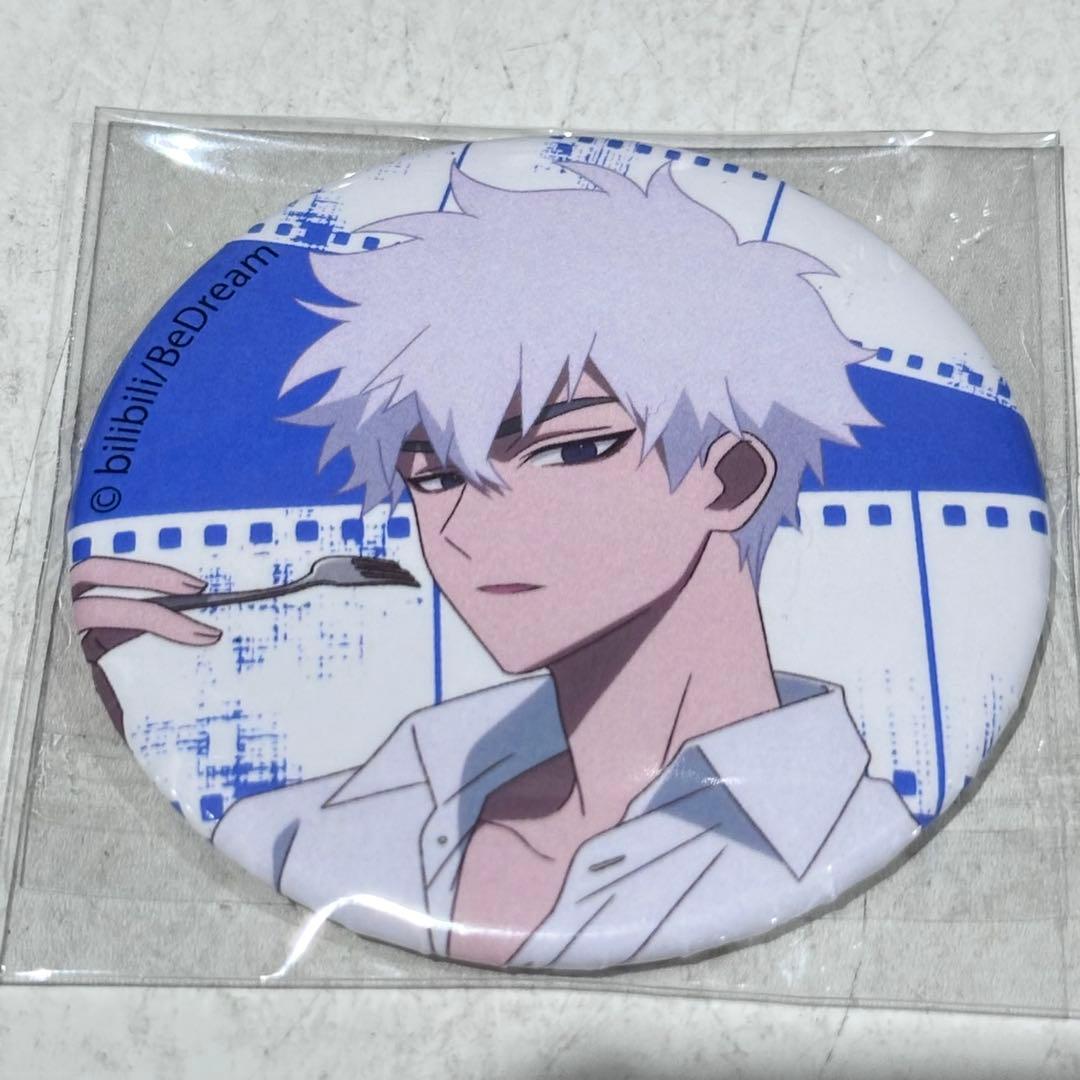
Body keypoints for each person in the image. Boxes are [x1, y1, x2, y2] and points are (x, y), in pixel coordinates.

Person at [72, 158, 918, 971]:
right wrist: (143, 704)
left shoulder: (848, 840)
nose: (470, 529)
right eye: (433, 477)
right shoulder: (324, 823)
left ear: (728, 480)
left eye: (571, 449)